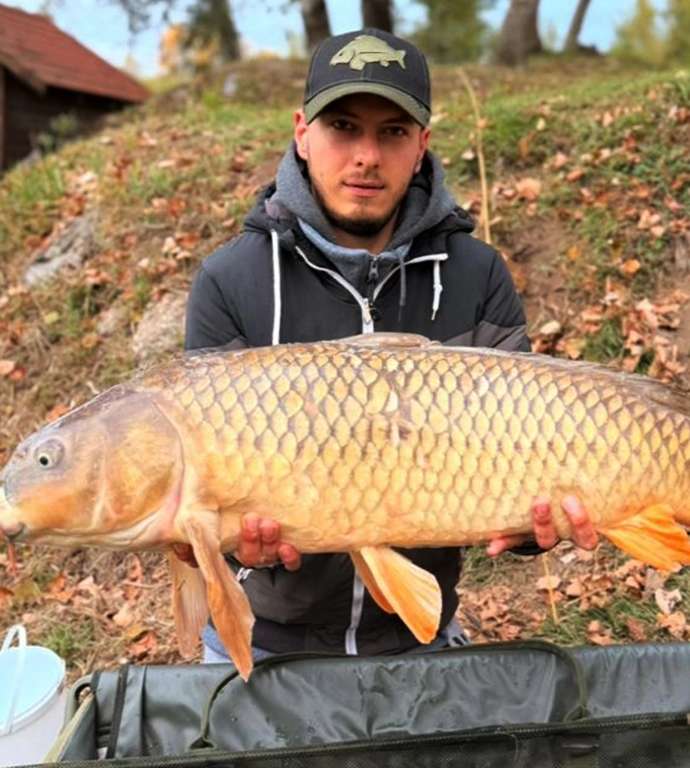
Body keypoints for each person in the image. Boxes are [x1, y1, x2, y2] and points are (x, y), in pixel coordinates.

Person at [179, 28, 598, 664]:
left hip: (419, 637)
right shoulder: (229, 282)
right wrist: (231, 542)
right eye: (343, 127)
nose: (367, 155)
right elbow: (195, 506)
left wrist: (539, 531)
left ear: (422, 144)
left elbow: (521, 462)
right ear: (302, 132)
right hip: (268, 641)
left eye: (393, 132)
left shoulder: (476, 274)